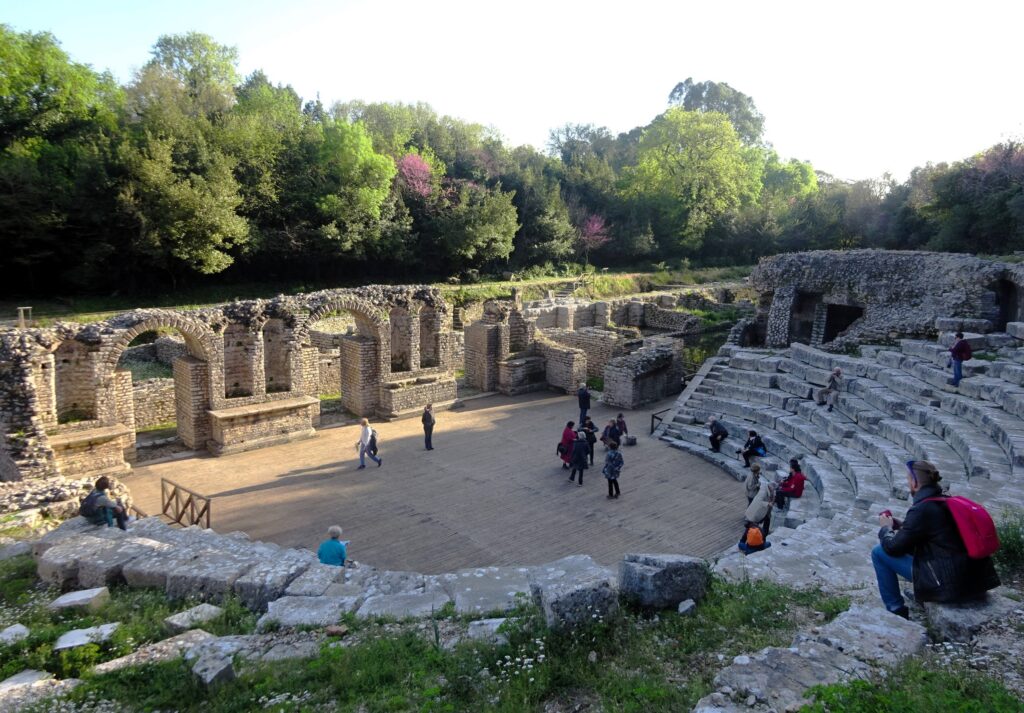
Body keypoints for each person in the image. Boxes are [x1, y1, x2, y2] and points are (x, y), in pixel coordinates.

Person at [872, 460, 1000, 618]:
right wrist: (903, 527)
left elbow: (893, 547)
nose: (908, 484)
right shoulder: (946, 501)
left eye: (908, 480)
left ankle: (896, 610)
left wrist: (885, 528)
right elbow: (935, 534)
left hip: (951, 586)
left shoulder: (922, 509)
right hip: (976, 582)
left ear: (915, 483)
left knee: (879, 552)